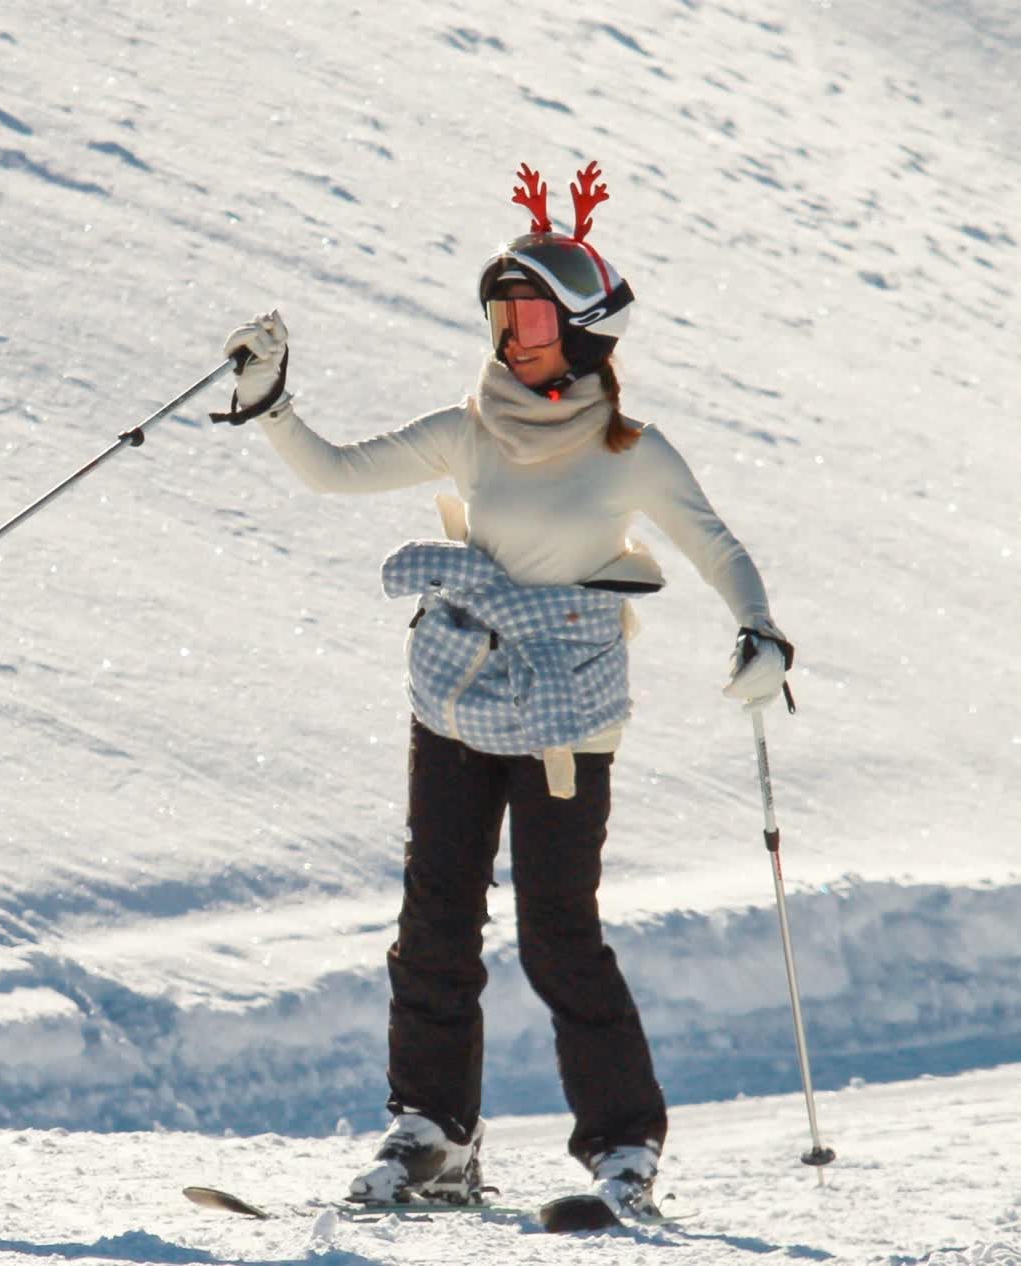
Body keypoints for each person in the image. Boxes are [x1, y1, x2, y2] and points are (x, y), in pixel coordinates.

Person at [214, 163, 791, 1219]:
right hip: (459, 701)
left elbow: (717, 547)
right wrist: (271, 403)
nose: (509, 337)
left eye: (529, 316)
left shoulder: (628, 450)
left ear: (584, 331)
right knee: (434, 919)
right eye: (500, 315)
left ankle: (625, 1149)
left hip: (569, 716)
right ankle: (435, 1137)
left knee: (557, 932)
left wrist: (759, 630)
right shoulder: (469, 427)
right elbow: (336, 471)